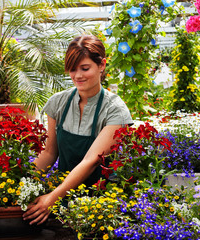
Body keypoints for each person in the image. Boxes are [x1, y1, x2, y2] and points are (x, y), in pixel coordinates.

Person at [22, 35, 133, 225]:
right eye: (72, 69)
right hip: (64, 201)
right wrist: (21, 185)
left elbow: (91, 161)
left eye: (85, 68)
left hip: (101, 207)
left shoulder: (115, 109)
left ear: (102, 65)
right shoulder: (58, 103)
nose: (77, 76)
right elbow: (49, 153)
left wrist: (52, 197)